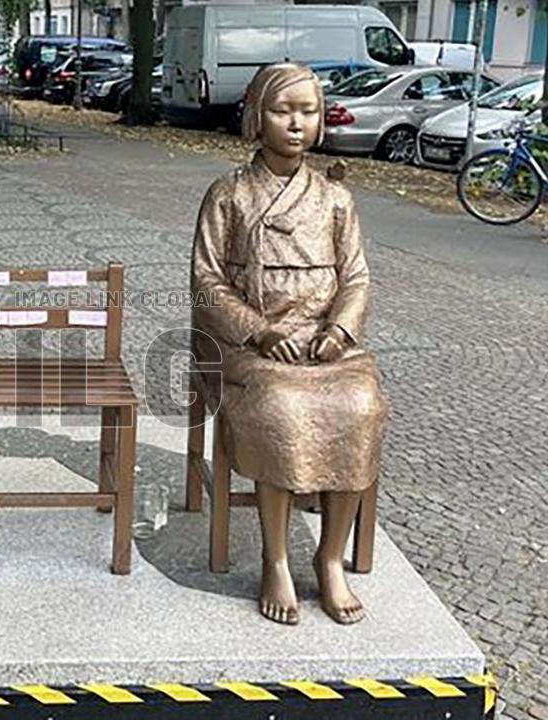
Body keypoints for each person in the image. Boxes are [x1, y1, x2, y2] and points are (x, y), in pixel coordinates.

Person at [190, 63, 387, 626]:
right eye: (283, 110)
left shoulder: (335, 200)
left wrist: (339, 331)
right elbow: (205, 283)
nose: (296, 124)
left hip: (326, 344)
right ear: (257, 115)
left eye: (308, 112)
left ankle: (329, 559)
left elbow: (356, 278)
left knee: (360, 406)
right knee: (282, 408)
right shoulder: (228, 194)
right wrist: (259, 329)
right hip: (254, 345)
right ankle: (275, 556)